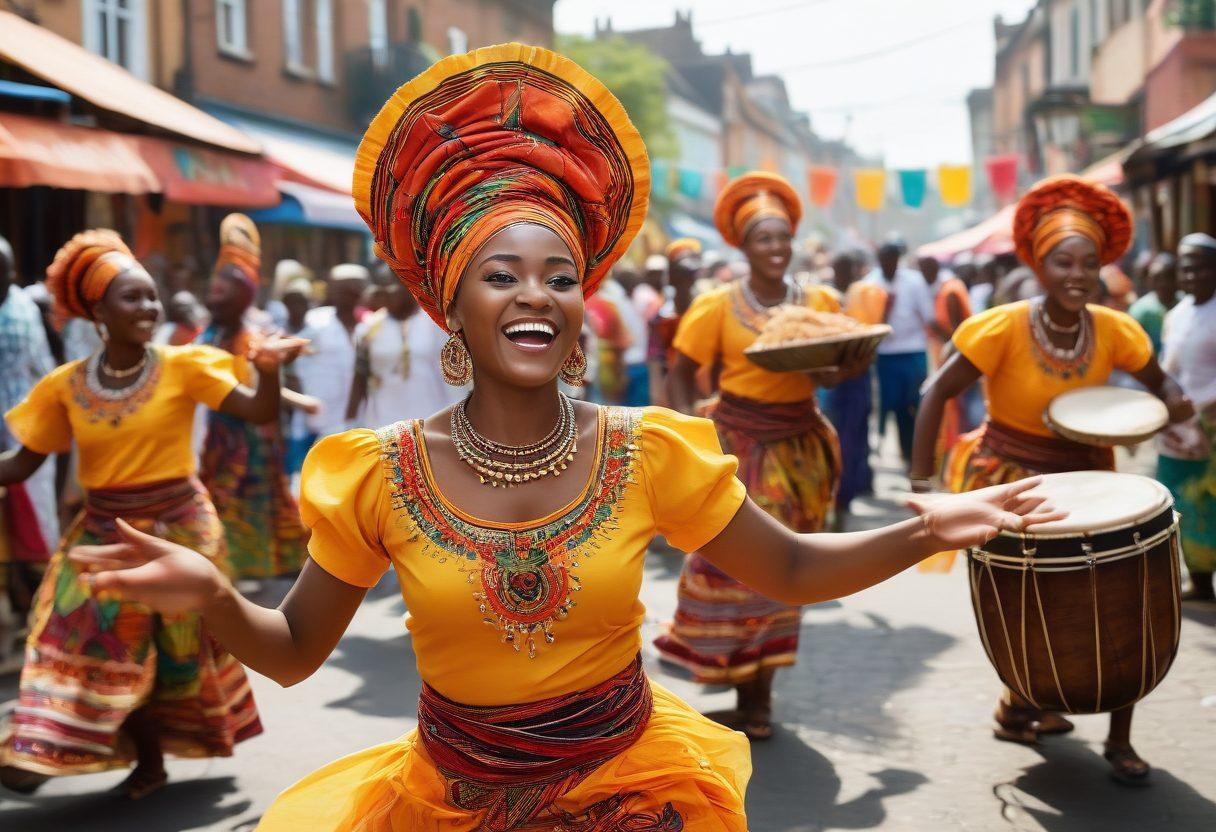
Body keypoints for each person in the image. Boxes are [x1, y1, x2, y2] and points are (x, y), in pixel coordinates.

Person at [61, 45, 1061, 830]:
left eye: (558, 273)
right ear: (451, 306)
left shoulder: (650, 450)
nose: (535, 293)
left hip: (631, 796)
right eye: (501, 274)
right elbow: (290, 654)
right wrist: (212, 595)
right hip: (449, 803)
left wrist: (931, 525)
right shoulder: (380, 473)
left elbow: (792, 566)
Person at [909, 175, 1193, 784]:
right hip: (1012, 483)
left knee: (1123, 600)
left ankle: (1119, 739)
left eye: (1089, 262)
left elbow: (1160, 383)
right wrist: (922, 478)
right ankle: (1022, 702)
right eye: (1063, 260)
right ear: (1038, 264)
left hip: (1093, 480)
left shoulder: (1115, 328)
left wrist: (1175, 400)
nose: (1077, 274)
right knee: (1033, 608)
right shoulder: (1003, 325)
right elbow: (937, 393)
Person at [0, 229, 302, 797]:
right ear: (97, 311)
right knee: (71, 634)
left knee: (170, 651)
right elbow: (19, 465)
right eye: (131, 297)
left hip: (181, 526)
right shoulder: (63, 387)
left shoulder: (186, 365)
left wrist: (267, 368)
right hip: (103, 529)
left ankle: (148, 760)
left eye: (151, 297)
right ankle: (51, 746)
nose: (148, 308)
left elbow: (258, 409)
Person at [654, 171, 869, 740]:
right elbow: (680, 372)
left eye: (782, 238)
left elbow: (836, 369)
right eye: (762, 239)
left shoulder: (821, 301)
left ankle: (758, 696)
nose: (775, 248)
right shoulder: (715, 307)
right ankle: (736, 676)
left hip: (799, 453)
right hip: (735, 445)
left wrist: (843, 366)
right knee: (725, 564)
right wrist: (688, 435)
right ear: (743, 247)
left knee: (783, 571)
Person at [198, 215, 309, 579]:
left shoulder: (253, 337)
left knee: (252, 502)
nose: (217, 289)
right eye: (216, 281)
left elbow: (263, 392)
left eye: (228, 283)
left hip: (251, 438)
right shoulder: (206, 336)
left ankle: (254, 565)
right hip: (214, 438)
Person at [0, 235, 57, 627]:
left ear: (13, 272)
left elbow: (46, 368)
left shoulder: (27, 307)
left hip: (24, 434)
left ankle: (39, 612)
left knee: (35, 525)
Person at [1157, 234, 1216, 602]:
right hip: (1177, 429)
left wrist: (1200, 406)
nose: (1191, 274)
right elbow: (1167, 369)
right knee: (1183, 502)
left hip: (1211, 425)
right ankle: (1199, 580)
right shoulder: (1176, 315)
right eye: (1185, 267)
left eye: (1200, 266)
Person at [346, 264, 459, 426]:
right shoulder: (367, 328)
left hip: (433, 422)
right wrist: (349, 423)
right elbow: (359, 379)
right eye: (382, 288)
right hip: (383, 425)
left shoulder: (438, 323)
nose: (388, 293)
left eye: (394, 285)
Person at [823, 251, 882, 525]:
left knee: (855, 439)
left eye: (846, 268)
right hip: (832, 381)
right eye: (838, 268)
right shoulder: (825, 297)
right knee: (835, 441)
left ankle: (848, 494)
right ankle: (836, 498)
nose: (842, 274)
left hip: (857, 377)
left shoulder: (865, 295)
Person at [865, 240, 935, 465]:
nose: (889, 265)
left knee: (913, 405)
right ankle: (893, 452)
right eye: (885, 261)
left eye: (892, 261)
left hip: (912, 351)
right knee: (887, 406)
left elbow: (928, 315)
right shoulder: (870, 284)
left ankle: (913, 456)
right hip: (885, 355)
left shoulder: (914, 282)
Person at [296, 264, 367, 440]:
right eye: (340, 288)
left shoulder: (370, 324)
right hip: (318, 424)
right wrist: (304, 403)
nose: (346, 294)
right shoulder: (316, 321)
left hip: (362, 423)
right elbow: (292, 361)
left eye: (352, 288)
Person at [1128, 252, 1180, 356]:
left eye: (1168, 277)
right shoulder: (1140, 311)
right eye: (1157, 279)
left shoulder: (1185, 304)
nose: (1163, 283)